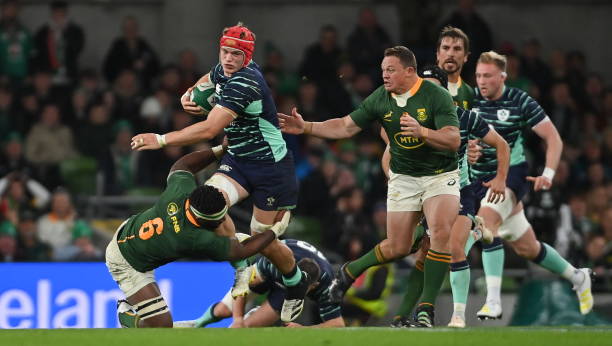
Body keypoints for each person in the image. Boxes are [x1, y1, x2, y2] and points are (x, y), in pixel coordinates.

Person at [130, 22, 307, 322]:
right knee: (207, 205)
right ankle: (241, 269)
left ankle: (294, 281)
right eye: (225, 52)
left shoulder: (245, 83)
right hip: (238, 158)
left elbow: (211, 128)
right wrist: (192, 91)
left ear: (247, 58)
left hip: (271, 169)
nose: (228, 59)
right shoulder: (224, 69)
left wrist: (160, 139)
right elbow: (209, 78)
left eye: (236, 55)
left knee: (262, 238)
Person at [279, 46, 461, 328]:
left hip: (440, 175)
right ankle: (350, 271)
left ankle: (425, 309)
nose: (384, 75)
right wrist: (307, 128)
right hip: (404, 177)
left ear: (409, 71)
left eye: (391, 70)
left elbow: (453, 139)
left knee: (439, 232)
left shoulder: (436, 95)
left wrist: (422, 131)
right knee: (398, 246)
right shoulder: (381, 97)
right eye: (383, 70)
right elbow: (345, 127)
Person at [378, 65, 508, 328]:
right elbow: (388, 146)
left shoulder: (462, 115)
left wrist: (500, 179)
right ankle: (403, 317)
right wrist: (398, 182)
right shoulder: (410, 116)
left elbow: (500, 144)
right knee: (423, 253)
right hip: (427, 194)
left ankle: (456, 316)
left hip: (459, 191)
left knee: (452, 247)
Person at [468, 51, 593, 320]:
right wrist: (468, 149)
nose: (481, 81)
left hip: (511, 174)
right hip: (477, 178)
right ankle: (577, 276)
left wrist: (548, 172)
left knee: (485, 224)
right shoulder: (469, 99)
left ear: (502, 76)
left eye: (487, 76)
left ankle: (492, 301)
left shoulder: (519, 100)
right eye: (478, 75)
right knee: (527, 247)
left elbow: (554, 138)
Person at [106, 146, 291, 328]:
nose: (222, 221)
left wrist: (220, 149)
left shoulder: (181, 192)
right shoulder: (193, 238)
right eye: (218, 219)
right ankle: (127, 317)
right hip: (127, 261)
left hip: (132, 229)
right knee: (162, 326)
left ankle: (240, 270)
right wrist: (275, 230)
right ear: (204, 221)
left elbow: (182, 165)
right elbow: (240, 251)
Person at [176, 239, 344, 328]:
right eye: (295, 284)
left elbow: (338, 323)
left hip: (282, 293)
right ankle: (198, 324)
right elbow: (242, 281)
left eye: (300, 288)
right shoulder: (275, 264)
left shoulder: (328, 286)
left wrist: (305, 329)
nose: (296, 289)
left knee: (248, 327)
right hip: (270, 275)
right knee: (222, 311)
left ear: (313, 287)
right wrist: (237, 318)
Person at [435, 26, 474, 110]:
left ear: (466, 56)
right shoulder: (423, 87)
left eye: (457, 49)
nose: (450, 53)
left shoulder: (469, 93)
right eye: (446, 48)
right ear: (437, 54)